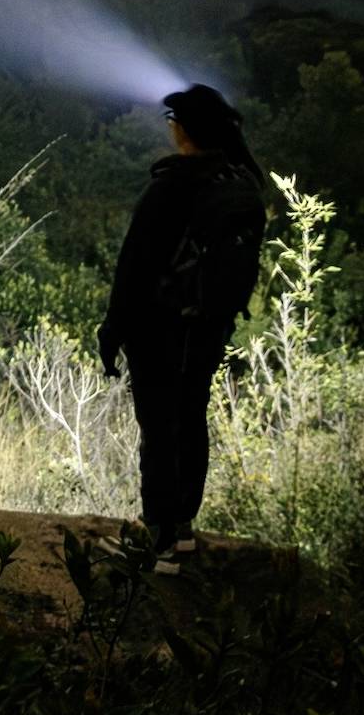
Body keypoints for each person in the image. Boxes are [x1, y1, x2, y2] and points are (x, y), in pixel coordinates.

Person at [98, 82, 268, 571]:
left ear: (181, 128)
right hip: (209, 327)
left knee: (158, 426)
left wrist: (113, 330)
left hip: (160, 328)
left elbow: (135, 267)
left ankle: (158, 542)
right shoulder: (238, 182)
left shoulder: (172, 186)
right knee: (190, 418)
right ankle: (183, 531)